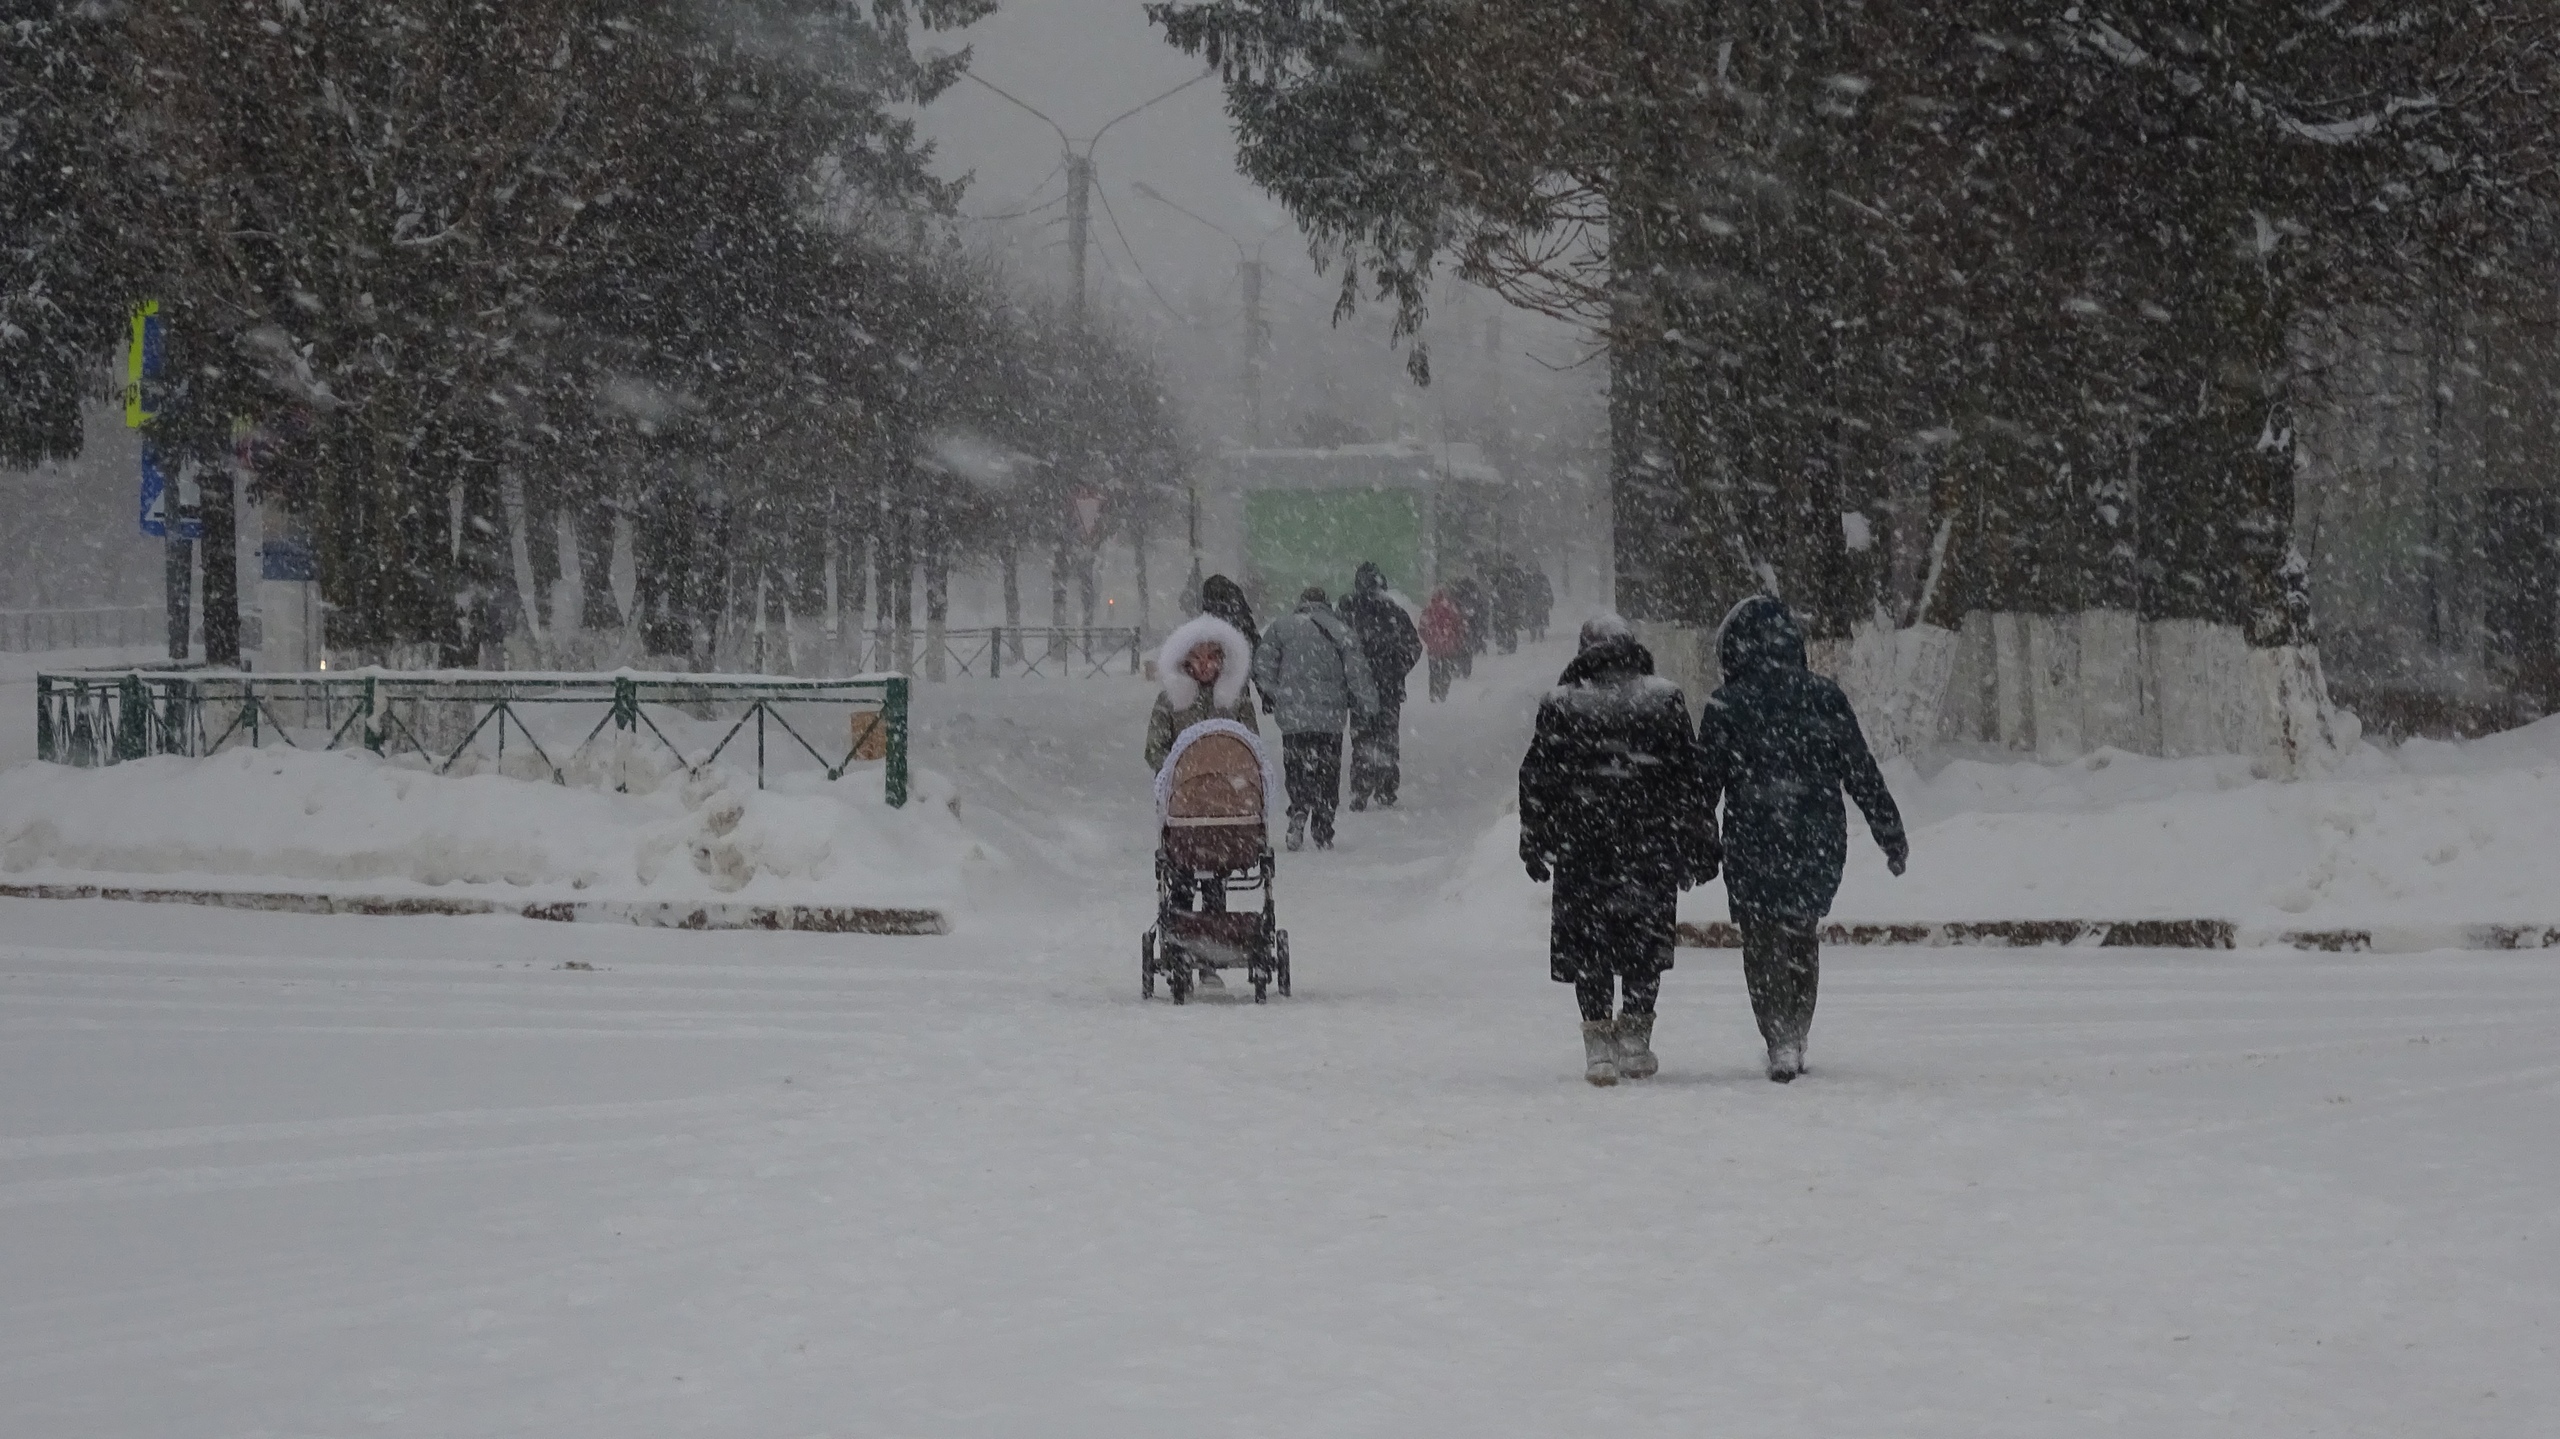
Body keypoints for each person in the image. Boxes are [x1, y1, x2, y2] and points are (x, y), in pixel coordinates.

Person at [1698, 595, 1908, 1083]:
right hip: (1815, 836)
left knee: (1761, 939)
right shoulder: (1824, 697)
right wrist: (1889, 832)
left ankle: (1778, 1037)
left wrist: (1692, 845)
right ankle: (1795, 1028)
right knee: (1799, 933)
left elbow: (1703, 786)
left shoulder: (1726, 705)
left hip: (1752, 837)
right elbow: (1860, 770)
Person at [1518, 615, 1718, 1087]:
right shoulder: (1663, 698)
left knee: (1590, 945)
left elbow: (1537, 777)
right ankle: (1636, 1037)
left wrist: (1535, 838)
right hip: (1648, 843)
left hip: (1583, 845)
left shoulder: (1561, 704)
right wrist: (1698, 841)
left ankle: (1597, 1047)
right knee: (1643, 944)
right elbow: (1688, 779)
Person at [1252, 585, 1378, 851]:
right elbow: (1357, 672)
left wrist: (1275, 693)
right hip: (1330, 718)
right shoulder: (1340, 630)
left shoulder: (1281, 627)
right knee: (1328, 771)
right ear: (1326, 604)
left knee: (1296, 766)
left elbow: (1262, 664)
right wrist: (1368, 705)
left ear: (1301, 603)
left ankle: (1298, 808)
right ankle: (1323, 825)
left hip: (1294, 718)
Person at [1337, 562, 1421, 809]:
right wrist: (1396, 670)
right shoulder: (1393, 613)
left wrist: (1349, 674)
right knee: (1387, 738)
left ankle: (1361, 788)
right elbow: (1413, 646)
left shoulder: (1347, 613)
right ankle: (1385, 788)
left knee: (1362, 738)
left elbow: (1339, 649)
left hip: (1359, 688)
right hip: (1389, 688)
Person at [1146, 613, 1259, 774]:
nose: (1204, 664)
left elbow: (1252, 744)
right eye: (1197, 657)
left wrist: (1230, 769)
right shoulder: (1169, 699)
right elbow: (1154, 749)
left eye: (1212, 657)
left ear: (1222, 659)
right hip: (1184, 788)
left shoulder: (1237, 697)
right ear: (1185, 660)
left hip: (1229, 788)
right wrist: (1184, 769)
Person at [1420, 587, 1467, 702]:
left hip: (1434, 647)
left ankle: (1434, 692)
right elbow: (1460, 626)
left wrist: (1429, 640)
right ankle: (1443, 691)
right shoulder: (1451, 610)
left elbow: (1421, 628)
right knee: (1446, 669)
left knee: (1434, 670)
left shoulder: (1428, 610)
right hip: (1448, 646)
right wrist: (1456, 640)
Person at [1449, 572, 1488, 678]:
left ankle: (1459, 667)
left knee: (1459, 646)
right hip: (1467, 622)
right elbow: (1479, 607)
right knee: (1465, 646)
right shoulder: (1472, 591)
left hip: (1461, 622)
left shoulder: (1457, 590)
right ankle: (1464, 668)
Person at [1527, 565, 1554, 643]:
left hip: (1540, 602)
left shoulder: (1542, 578)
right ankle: (1533, 634)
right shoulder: (1529, 578)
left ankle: (1540, 634)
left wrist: (1549, 601)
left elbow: (1548, 589)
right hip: (1533, 602)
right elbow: (1525, 590)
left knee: (1539, 618)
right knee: (1533, 619)